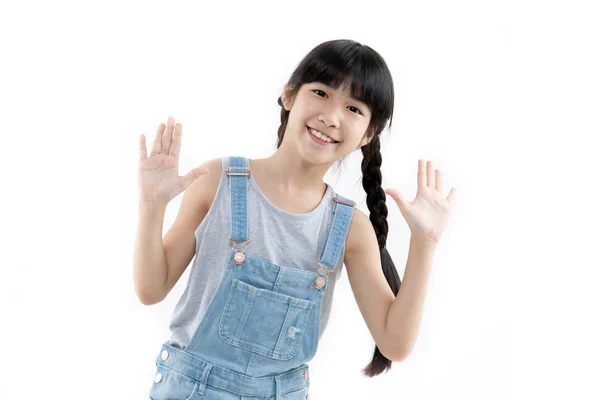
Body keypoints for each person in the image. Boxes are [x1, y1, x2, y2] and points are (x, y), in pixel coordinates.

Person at [134, 39, 456, 400]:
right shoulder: (217, 182)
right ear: (289, 96)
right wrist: (152, 206)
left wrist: (424, 244)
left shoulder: (349, 227)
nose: (331, 117)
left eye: (353, 108)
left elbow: (394, 344)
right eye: (321, 92)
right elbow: (151, 288)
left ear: (368, 134)